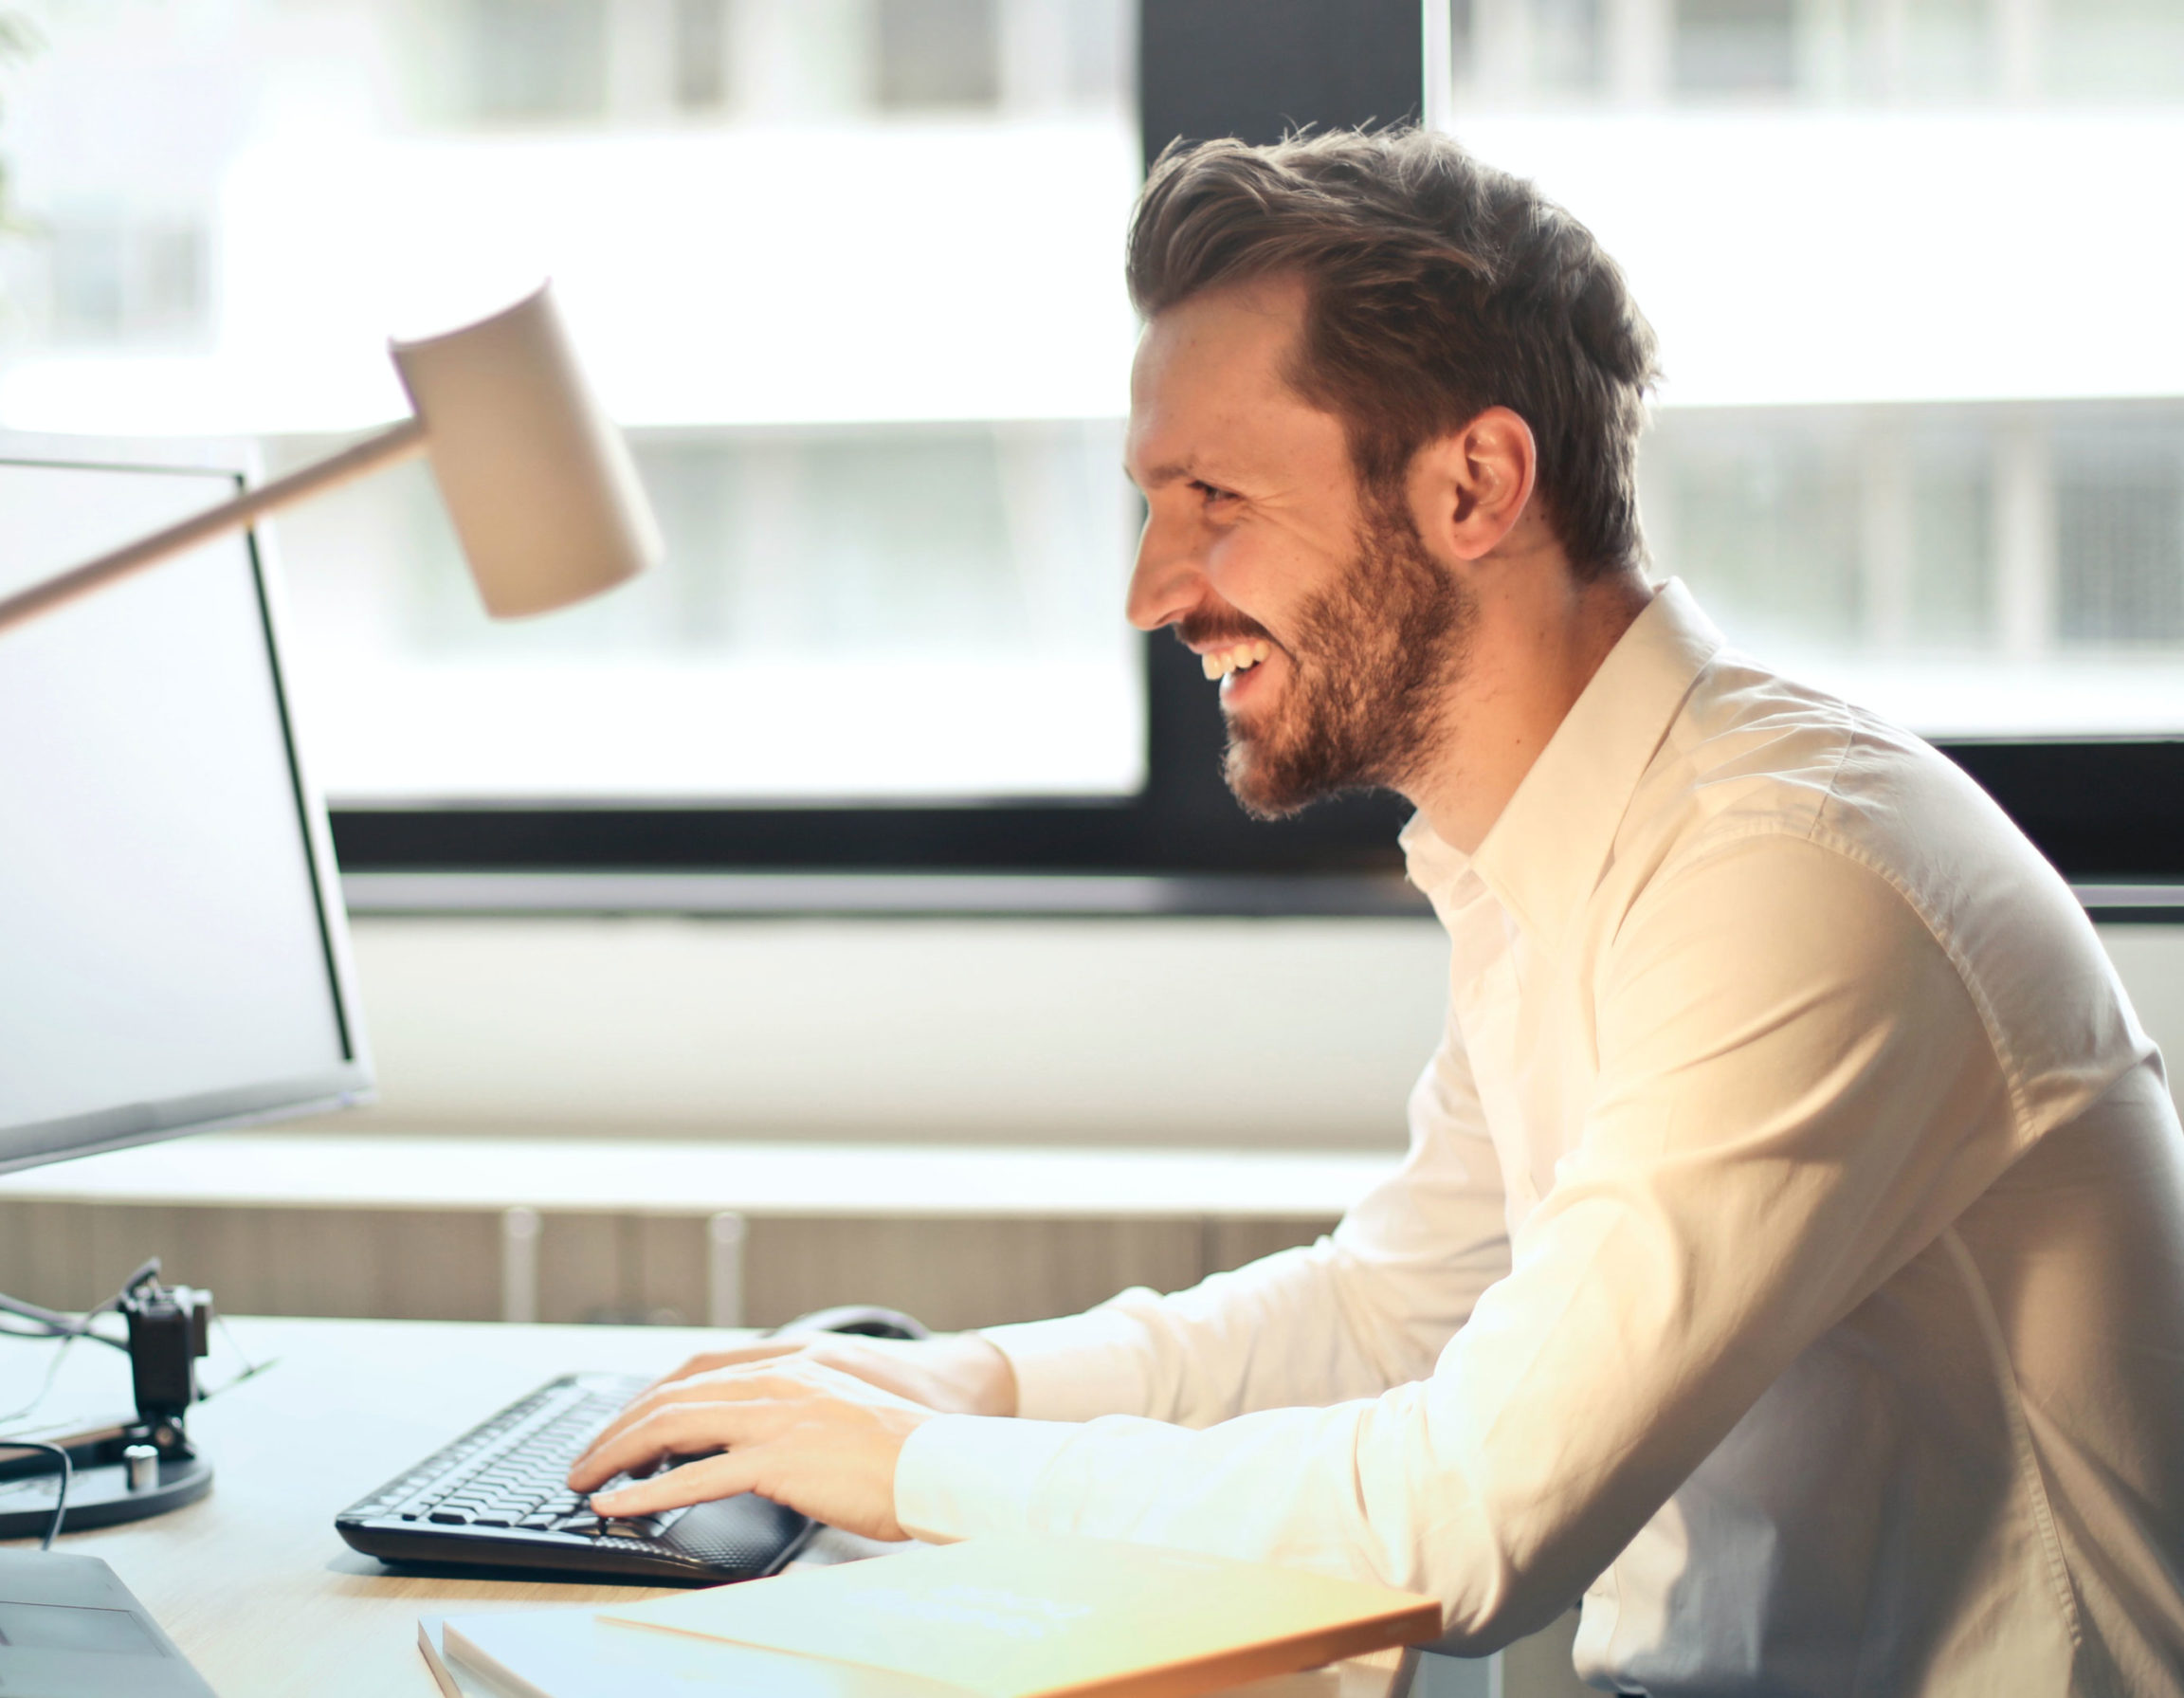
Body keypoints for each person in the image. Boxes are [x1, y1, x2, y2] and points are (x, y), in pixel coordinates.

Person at [568, 129, 2184, 1694]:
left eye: (1213, 496)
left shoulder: (1795, 881)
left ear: (1475, 482)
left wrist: (916, 1467)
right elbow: (1392, 1313)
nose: (1151, 590)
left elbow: (1466, 1522)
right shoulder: (1548, 852)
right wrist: (960, 1382)